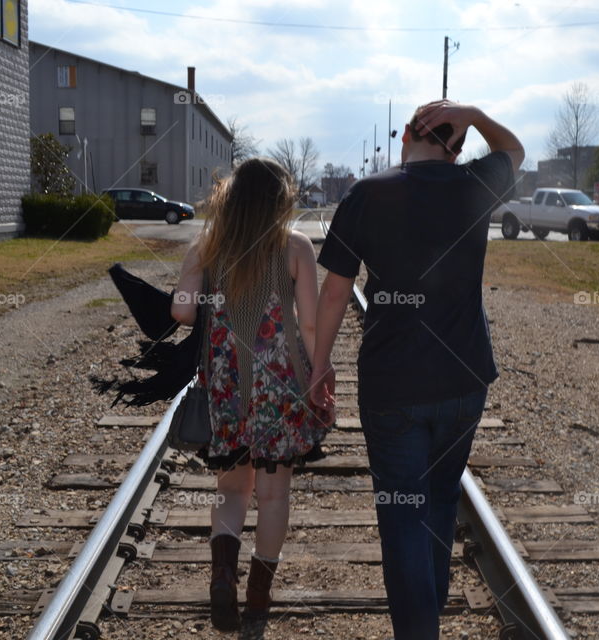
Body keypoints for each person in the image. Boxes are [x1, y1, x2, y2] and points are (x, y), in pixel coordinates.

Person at [310, 100, 524, 639]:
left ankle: (419, 629)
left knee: (404, 513)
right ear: (456, 148)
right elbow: (514, 150)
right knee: (441, 497)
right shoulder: (476, 183)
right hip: (464, 380)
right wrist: (474, 114)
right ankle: (428, 614)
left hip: (393, 385)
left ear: (406, 134)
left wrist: (320, 364)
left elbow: (335, 291)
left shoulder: (368, 192)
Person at [171, 157, 334, 631]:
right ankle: (258, 600)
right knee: (273, 493)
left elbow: (181, 312)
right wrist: (320, 372)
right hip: (280, 388)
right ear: (280, 203)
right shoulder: (295, 247)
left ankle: (222, 576)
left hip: (225, 383)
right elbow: (307, 323)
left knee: (231, 490)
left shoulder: (208, 247)